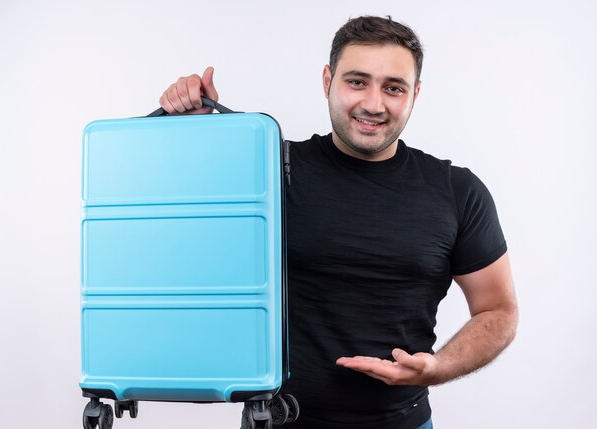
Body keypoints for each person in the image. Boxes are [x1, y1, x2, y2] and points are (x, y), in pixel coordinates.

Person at [158, 15, 518, 429]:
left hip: (404, 422)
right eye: (357, 81)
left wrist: (438, 367)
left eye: (394, 88)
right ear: (327, 80)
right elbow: (177, 226)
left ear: (415, 94)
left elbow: (498, 309)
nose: (373, 104)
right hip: (277, 421)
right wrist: (191, 127)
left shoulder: (458, 190)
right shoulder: (266, 172)